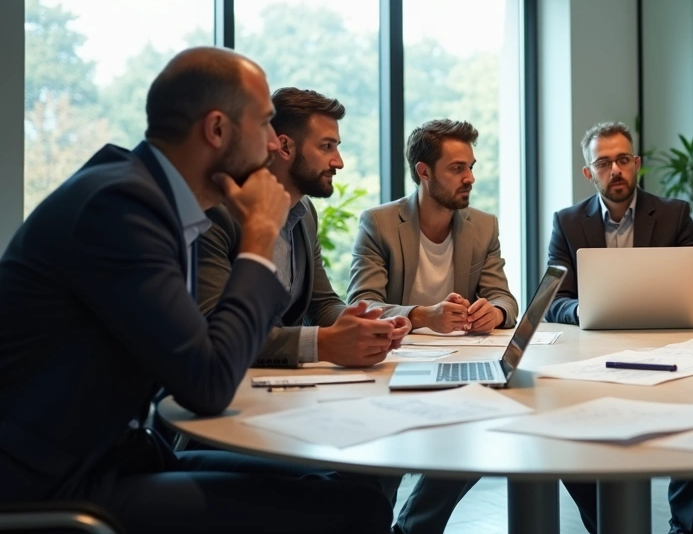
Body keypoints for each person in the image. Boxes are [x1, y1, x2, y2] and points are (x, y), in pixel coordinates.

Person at [0, 47, 390, 533]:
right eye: (266, 123)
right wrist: (259, 238)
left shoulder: (147, 198)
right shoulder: (121, 206)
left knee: (355, 491)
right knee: (353, 509)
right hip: (56, 481)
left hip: (118, 455)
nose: (274, 144)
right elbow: (207, 382)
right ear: (217, 130)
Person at [348, 118, 518, 534]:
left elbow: (505, 298)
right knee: (382, 473)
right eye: (457, 168)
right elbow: (361, 304)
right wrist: (424, 316)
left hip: (458, 365)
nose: (470, 178)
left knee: (478, 437)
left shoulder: (483, 226)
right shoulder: (379, 223)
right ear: (424, 172)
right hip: (392, 365)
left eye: (471, 166)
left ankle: (414, 529)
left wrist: (493, 313)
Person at [548, 121, 693, 534]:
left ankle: (684, 527)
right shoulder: (568, 222)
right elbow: (554, 300)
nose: (616, 170)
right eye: (603, 163)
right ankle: (609, 526)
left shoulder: (674, 213)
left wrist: (653, 307)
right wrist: (591, 308)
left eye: (623, 159)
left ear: (637, 164)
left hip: (671, 351)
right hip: (593, 356)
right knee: (567, 434)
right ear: (589, 173)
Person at [198, 87, 409, 368]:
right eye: (326, 147)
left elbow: (321, 305)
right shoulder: (218, 213)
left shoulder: (305, 212)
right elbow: (214, 331)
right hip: (227, 383)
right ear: (284, 147)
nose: (339, 162)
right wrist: (322, 344)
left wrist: (370, 324)